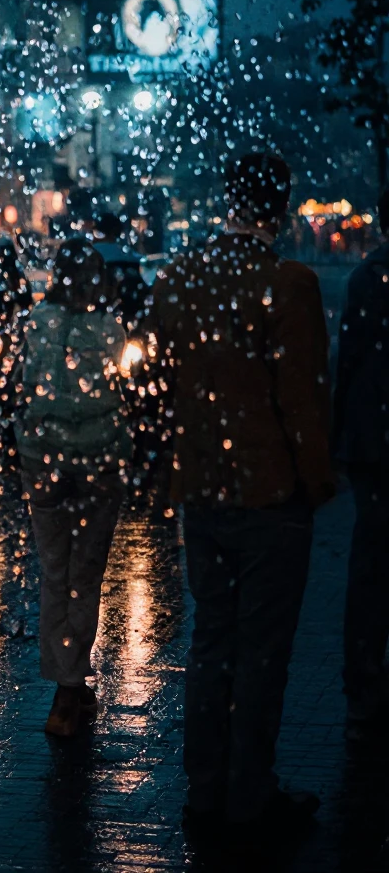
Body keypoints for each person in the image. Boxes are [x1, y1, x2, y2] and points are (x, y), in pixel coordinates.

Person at [151, 152, 335, 841]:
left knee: (213, 642)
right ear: (279, 206)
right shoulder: (288, 284)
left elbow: (162, 389)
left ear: (229, 198)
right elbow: (303, 402)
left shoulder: (180, 280)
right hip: (270, 496)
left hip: (203, 491)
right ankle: (249, 795)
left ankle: (205, 789)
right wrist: (317, 485)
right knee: (262, 651)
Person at [15, 237, 130, 738]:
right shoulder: (109, 329)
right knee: (85, 574)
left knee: (54, 573)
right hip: (97, 468)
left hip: (43, 464)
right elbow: (121, 389)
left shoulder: (36, 325)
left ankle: (66, 685)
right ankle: (69, 690)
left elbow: (24, 383)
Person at [335, 186, 389, 733]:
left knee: (371, 566)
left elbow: (348, 362)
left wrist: (339, 438)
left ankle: (362, 683)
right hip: (374, 438)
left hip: (375, 442)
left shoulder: (367, 278)